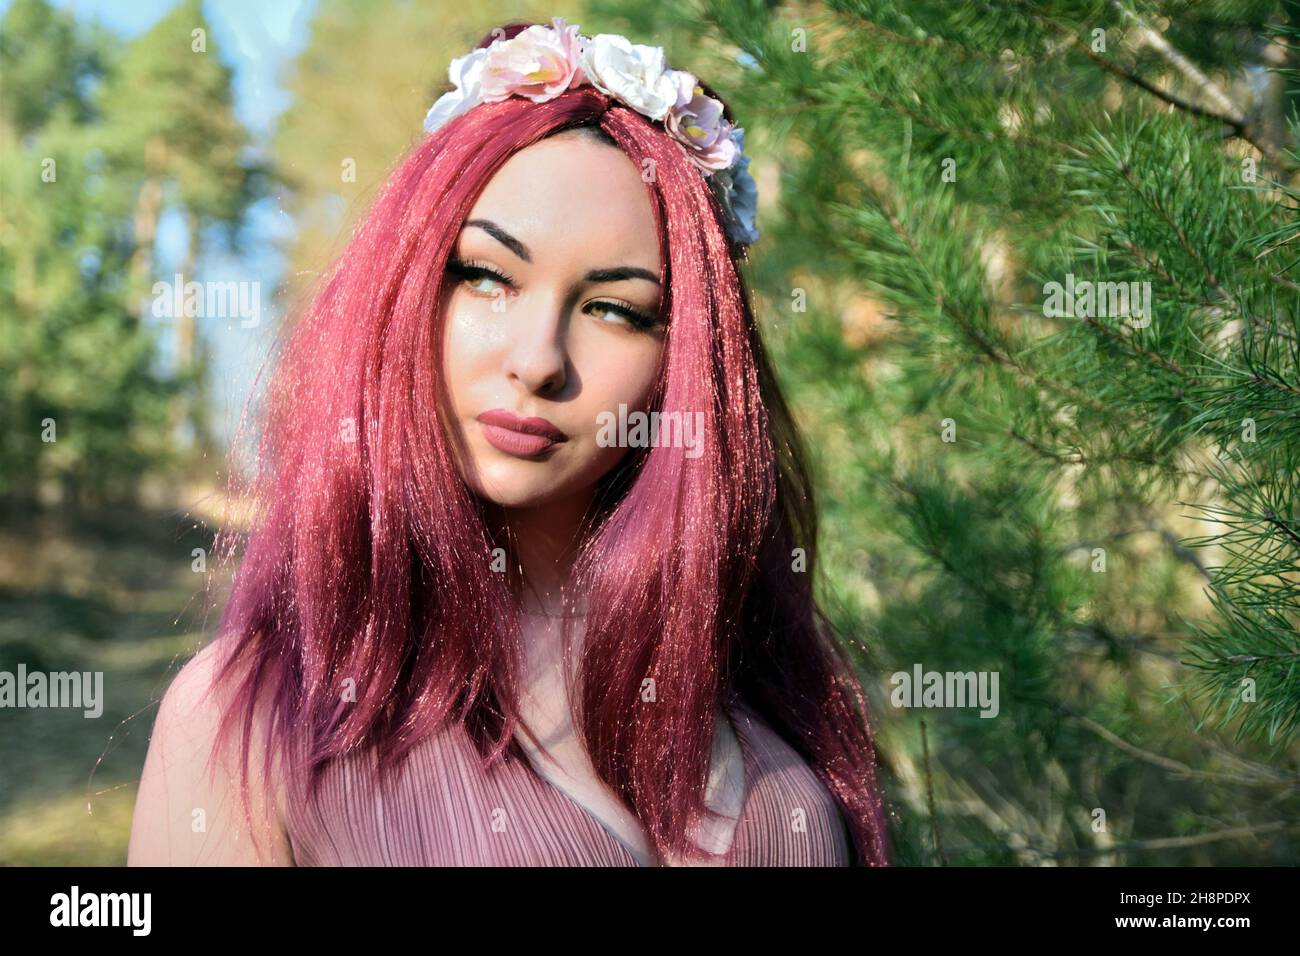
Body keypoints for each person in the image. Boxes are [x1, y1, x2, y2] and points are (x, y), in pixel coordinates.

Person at [128, 16, 890, 867]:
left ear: (683, 365)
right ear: (409, 291)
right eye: (487, 277)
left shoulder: (779, 739)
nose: (536, 362)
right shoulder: (253, 729)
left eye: (615, 308)